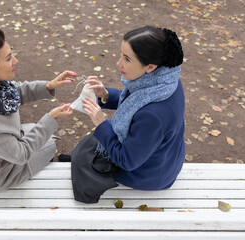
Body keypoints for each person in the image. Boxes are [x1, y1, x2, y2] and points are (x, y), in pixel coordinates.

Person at [68, 25, 185, 202]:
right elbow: (135, 102)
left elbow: (127, 160)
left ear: (150, 66)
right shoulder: (165, 81)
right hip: (165, 158)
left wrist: (101, 123)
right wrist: (106, 95)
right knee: (89, 146)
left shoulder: (153, 115)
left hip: (148, 175)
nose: (119, 63)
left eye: (127, 59)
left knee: (84, 153)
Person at [0, 26, 76, 190]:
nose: (16, 61)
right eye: (8, 58)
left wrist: (48, 86)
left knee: (36, 131)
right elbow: (21, 154)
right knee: (49, 144)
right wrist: (51, 119)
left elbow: (12, 93)